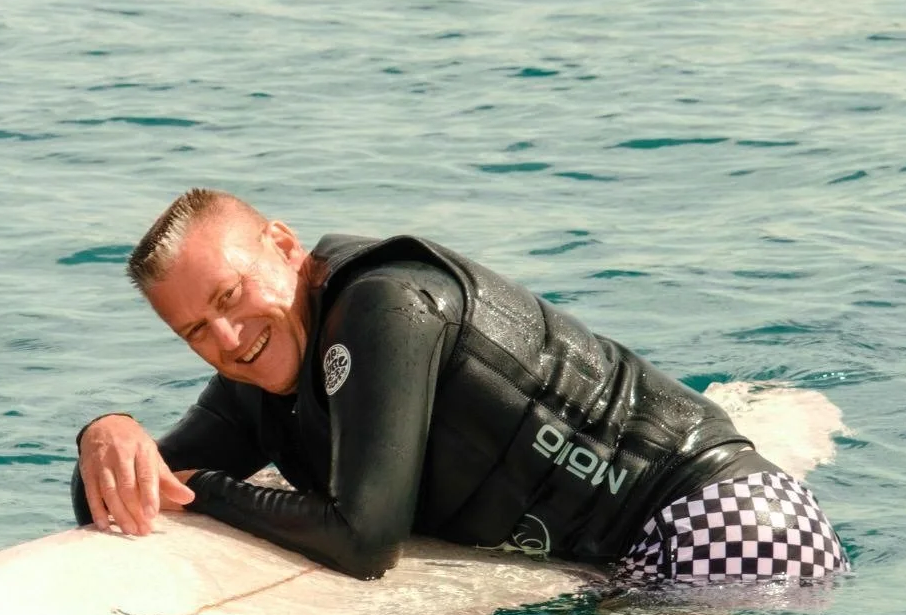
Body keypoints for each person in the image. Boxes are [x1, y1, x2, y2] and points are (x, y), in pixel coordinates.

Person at [71, 189, 847, 588]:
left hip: (718, 524)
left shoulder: (386, 303)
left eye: (231, 297)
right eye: (195, 331)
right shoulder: (262, 372)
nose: (228, 340)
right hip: (618, 564)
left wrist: (203, 492)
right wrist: (104, 434)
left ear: (282, 244)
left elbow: (363, 539)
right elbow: (131, 489)